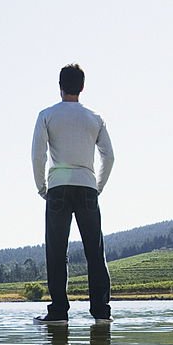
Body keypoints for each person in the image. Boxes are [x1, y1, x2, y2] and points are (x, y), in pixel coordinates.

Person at [31, 64, 115, 323]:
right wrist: (98, 185)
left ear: (60, 86)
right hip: (88, 185)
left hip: (57, 187)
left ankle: (58, 312)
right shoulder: (95, 118)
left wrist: (41, 187)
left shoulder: (47, 115)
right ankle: (101, 312)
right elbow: (109, 157)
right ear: (82, 86)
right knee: (94, 250)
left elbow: (38, 155)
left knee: (57, 251)